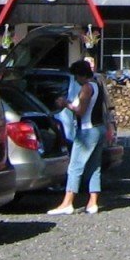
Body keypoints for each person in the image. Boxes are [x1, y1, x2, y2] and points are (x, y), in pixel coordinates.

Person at [48, 59, 104, 215]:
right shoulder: (97, 84)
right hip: (99, 128)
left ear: (80, 75)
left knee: (75, 167)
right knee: (94, 167)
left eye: (75, 76)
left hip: (87, 130)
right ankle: (93, 203)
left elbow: (80, 111)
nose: (75, 80)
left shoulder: (86, 88)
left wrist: (65, 104)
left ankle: (67, 202)